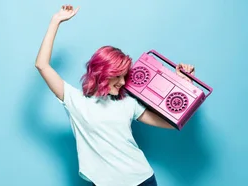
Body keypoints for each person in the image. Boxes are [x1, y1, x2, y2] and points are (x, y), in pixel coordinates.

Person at [34, 4, 196, 186]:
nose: (122, 81)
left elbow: (172, 123)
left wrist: (183, 84)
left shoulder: (128, 102)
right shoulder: (74, 100)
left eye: (125, 75)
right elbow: (42, 65)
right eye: (117, 76)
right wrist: (56, 20)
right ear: (101, 73)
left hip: (142, 180)